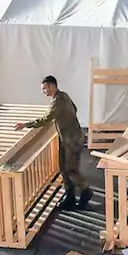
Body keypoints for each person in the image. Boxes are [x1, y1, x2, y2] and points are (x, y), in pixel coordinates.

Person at [14, 75, 93, 210]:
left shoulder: (57, 102)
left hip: (71, 140)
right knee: (63, 168)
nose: (43, 91)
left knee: (71, 169)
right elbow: (74, 109)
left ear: (52, 86)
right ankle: (70, 197)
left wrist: (26, 125)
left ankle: (86, 192)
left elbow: (47, 118)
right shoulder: (64, 96)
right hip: (66, 138)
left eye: (44, 88)